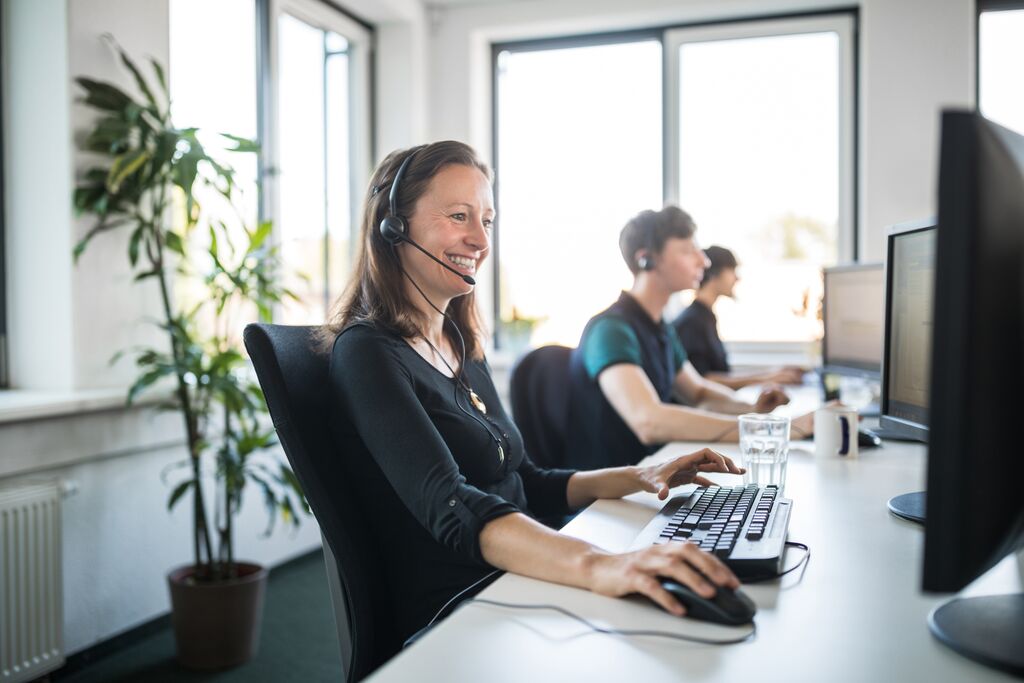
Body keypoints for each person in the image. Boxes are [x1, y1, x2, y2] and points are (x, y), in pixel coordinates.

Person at [322, 142, 745, 649]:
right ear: (395, 226)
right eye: (459, 216)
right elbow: (451, 505)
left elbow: (525, 482)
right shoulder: (368, 351)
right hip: (464, 610)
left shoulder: (460, 345)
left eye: (487, 220)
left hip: (519, 576)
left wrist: (640, 476)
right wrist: (600, 564)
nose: (479, 239)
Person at [565, 207, 815, 471]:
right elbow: (649, 421)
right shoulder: (611, 330)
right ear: (646, 260)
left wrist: (753, 408)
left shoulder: (659, 328)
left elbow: (698, 392)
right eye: (687, 251)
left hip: (653, 474)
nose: (703, 262)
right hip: (607, 498)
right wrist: (769, 430)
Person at [673, 245, 805, 390]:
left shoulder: (706, 317)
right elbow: (702, 379)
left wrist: (772, 374)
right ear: (714, 274)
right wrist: (768, 378)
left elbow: (720, 374)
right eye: (732, 271)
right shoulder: (692, 323)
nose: (737, 278)